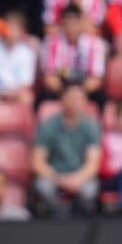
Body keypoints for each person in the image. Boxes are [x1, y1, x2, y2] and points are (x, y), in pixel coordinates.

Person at [31, 82, 101, 218]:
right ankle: (60, 219)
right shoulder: (48, 125)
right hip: (54, 175)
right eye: (71, 98)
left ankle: (78, 220)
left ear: (84, 101)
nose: (75, 102)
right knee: (43, 186)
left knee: (89, 191)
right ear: (62, 100)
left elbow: (93, 164)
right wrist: (59, 178)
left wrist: (77, 178)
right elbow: (37, 162)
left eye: (79, 98)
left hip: (81, 176)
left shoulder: (91, 126)